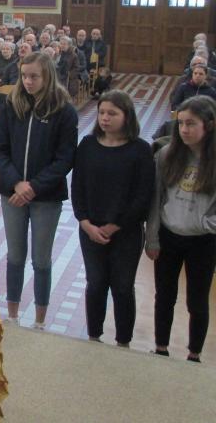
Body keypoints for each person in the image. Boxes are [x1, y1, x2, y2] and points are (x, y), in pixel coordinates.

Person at [0, 52, 78, 329]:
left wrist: (33, 187)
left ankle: (40, 320)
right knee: (15, 255)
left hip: (46, 197)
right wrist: (17, 183)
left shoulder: (63, 110)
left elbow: (65, 159)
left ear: (48, 76)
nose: (28, 82)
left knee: (41, 259)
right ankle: (13, 315)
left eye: (34, 76)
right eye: (24, 76)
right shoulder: (11, 104)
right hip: (12, 193)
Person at [71, 90, 154, 347]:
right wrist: (85, 223)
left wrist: (114, 226)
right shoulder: (88, 145)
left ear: (126, 116)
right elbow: (77, 187)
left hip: (126, 231)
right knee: (95, 284)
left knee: (122, 286)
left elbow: (143, 195)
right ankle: (93, 336)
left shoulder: (140, 150)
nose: (105, 118)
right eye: (102, 113)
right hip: (90, 229)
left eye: (112, 113)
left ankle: (123, 342)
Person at [146, 96, 216, 363]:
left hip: (202, 240)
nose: (184, 129)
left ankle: (194, 353)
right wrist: (152, 237)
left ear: (208, 125)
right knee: (164, 295)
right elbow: (156, 199)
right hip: (168, 235)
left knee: (197, 301)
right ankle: (161, 347)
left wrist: (206, 224)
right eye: (181, 124)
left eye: (191, 124)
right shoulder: (166, 154)